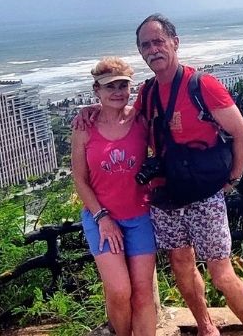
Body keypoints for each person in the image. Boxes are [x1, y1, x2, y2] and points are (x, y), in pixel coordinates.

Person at [132, 13, 243, 336]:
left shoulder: (201, 85)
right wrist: (90, 116)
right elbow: (127, 127)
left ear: (175, 42)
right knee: (180, 266)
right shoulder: (146, 94)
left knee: (222, 273)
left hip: (204, 194)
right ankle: (205, 326)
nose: (153, 50)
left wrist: (232, 178)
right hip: (167, 194)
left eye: (159, 41)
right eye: (145, 45)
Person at [71, 57, 158, 336]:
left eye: (123, 85)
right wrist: (102, 217)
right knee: (119, 290)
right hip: (101, 219)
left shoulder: (140, 120)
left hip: (139, 215)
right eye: (110, 87)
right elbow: (80, 180)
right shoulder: (84, 127)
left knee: (143, 294)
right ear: (97, 90)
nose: (118, 92)